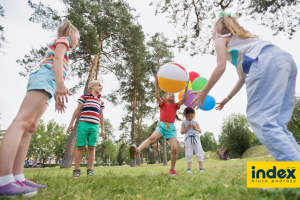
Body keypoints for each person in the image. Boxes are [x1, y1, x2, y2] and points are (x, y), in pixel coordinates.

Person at [191, 11, 300, 161]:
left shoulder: (220, 38)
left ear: (218, 29)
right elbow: (242, 78)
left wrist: (204, 91)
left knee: (261, 118)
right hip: (285, 60)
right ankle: (294, 168)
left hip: (265, 61)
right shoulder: (242, 44)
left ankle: (292, 172)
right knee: (277, 122)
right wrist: (226, 99)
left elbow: (220, 66)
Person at [0, 21, 80, 197]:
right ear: (70, 32)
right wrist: (60, 84)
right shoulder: (64, 40)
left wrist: (58, 94)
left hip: (49, 82)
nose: (78, 41)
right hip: (46, 78)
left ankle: (18, 177)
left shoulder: (65, 45)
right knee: (22, 121)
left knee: (30, 127)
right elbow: (56, 60)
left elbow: (58, 65)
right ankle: (4, 180)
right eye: (78, 37)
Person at [130, 76, 188, 176]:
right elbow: (157, 96)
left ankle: (172, 169)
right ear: (164, 98)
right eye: (169, 94)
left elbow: (185, 98)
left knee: (174, 149)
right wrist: (157, 84)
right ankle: (137, 150)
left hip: (171, 128)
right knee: (152, 138)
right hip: (162, 126)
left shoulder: (175, 106)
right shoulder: (163, 104)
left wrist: (186, 87)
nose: (172, 96)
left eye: (173, 95)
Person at [67, 80, 105, 178]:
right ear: (92, 86)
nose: (101, 88)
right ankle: (76, 170)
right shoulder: (84, 97)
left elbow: (101, 115)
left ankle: (90, 170)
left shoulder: (101, 101)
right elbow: (77, 109)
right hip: (83, 124)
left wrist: (102, 129)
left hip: (95, 126)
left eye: (102, 86)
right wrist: (71, 123)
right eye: (99, 85)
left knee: (92, 147)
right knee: (80, 146)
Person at [181, 107, 204, 174]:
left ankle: (201, 168)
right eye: (188, 116)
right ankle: (189, 169)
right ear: (185, 116)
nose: (190, 118)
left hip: (196, 137)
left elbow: (200, 131)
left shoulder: (196, 122)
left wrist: (195, 128)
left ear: (194, 115)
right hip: (188, 138)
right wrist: (187, 127)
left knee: (199, 151)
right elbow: (182, 132)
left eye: (192, 116)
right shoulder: (184, 123)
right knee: (189, 152)